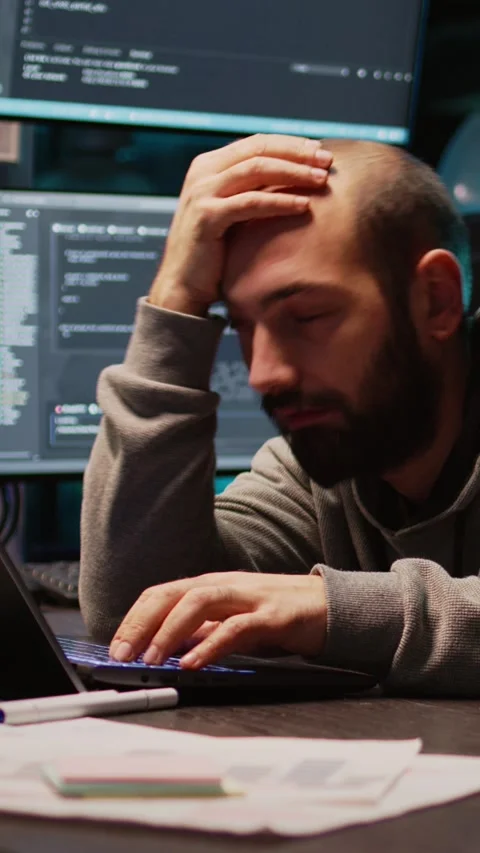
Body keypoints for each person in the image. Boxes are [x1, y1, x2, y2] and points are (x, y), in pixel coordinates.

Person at [79, 134, 480, 696]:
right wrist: (175, 302)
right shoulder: (320, 472)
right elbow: (142, 614)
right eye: (242, 325)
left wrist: (334, 609)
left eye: (308, 316)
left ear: (436, 300)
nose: (263, 373)